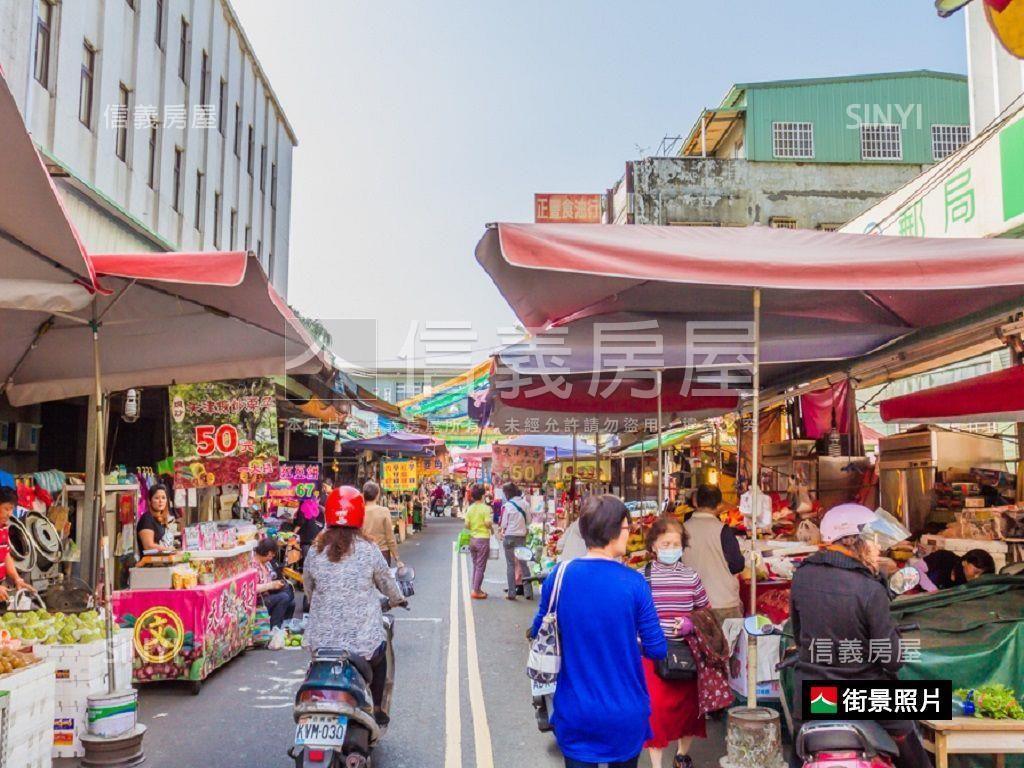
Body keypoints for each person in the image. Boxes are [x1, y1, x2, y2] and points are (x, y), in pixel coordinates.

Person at [788, 503, 931, 768]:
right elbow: (892, 661)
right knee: (910, 744)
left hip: (815, 695)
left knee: (798, 749)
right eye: (873, 542)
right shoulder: (869, 588)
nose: (878, 549)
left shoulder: (802, 576)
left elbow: (799, 636)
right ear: (853, 541)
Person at [529, 495, 667, 768]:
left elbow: (537, 629)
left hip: (576, 710)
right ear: (614, 531)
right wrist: (628, 641)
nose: (629, 534)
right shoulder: (635, 583)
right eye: (628, 528)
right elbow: (657, 648)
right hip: (625, 711)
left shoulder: (559, 576)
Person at [304, 486, 407, 725]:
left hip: (321, 645)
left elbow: (308, 588)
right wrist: (398, 599)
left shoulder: (315, 550)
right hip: (361, 646)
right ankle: (379, 709)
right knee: (380, 655)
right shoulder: (368, 550)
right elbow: (387, 581)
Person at [642, 517, 709, 768]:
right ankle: (656, 764)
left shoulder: (691, 577)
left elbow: (705, 611)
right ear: (654, 547)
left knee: (688, 710)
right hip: (653, 654)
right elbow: (634, 613)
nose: (671, 548)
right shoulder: (642, 577)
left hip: (686, 652)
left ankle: (682, 756)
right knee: (655, 712)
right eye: (665, 543)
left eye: (676, 543)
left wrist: (690, 623)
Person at [682, 484, 744, 623]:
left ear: (695, 502)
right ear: (719, 505)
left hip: (693, 605)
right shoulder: (724, 530)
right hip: (723, 603)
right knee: (728, 644)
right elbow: (737, 565)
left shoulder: (681, 530)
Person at [499, 482, 532, 600]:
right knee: (524, 565)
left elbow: (503, 524)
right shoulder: (526, 504)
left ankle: (511, 593)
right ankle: (528, 592)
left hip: (509, 538)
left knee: (510, 565)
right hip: (521, 538)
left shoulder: (507, 506)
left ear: (507, 493)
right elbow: (529, 520)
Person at [254, 537, 295, 629]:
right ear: (266, 552)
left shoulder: (266, 564)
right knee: (284, 597)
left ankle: (284, 626)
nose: (271, 558)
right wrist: (271, 585)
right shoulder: (253, 565)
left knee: (291, 602)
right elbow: (253, 588)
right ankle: (274, 629)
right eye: (271, 556)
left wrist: (276, 584)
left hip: (267, 595)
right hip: (258, 599)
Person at [0, 486, 32, 602]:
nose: (10, 514)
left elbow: (6, 556)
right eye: (6, 509)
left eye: (12, 509)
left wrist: (17, 578)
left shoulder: (3, 529)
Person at [361, 481, 401, 567]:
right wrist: (397, 558)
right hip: (382, 553)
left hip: (364, 554)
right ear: (377, 495)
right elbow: (390, 536)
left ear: (363, 495)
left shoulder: (359, 512)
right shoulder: (384, 511)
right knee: (383, 580)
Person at [464, 485, 493, 599]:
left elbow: (466, 524)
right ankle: (476, 591)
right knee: (480, 566)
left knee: (476, 565)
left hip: (472, 539)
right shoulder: (485, 508)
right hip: (482, 539)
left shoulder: (470, 508)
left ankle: (476, 588)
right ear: (482, 496)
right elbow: (487, 523)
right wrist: (490, 526)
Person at [924, 547, 997, 589]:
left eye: (981, 575)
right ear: (965, 562)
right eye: (976, 572)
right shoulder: (943, 557)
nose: (976, 577)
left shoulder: (969, 587)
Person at [136, 484, 176, 554]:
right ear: (150, 500)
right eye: (157, 498)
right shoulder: (147, 519)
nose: (161, 501)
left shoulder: (162, 519)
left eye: (163, 498)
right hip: (151, 563)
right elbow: (148, 546)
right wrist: (168, 549)